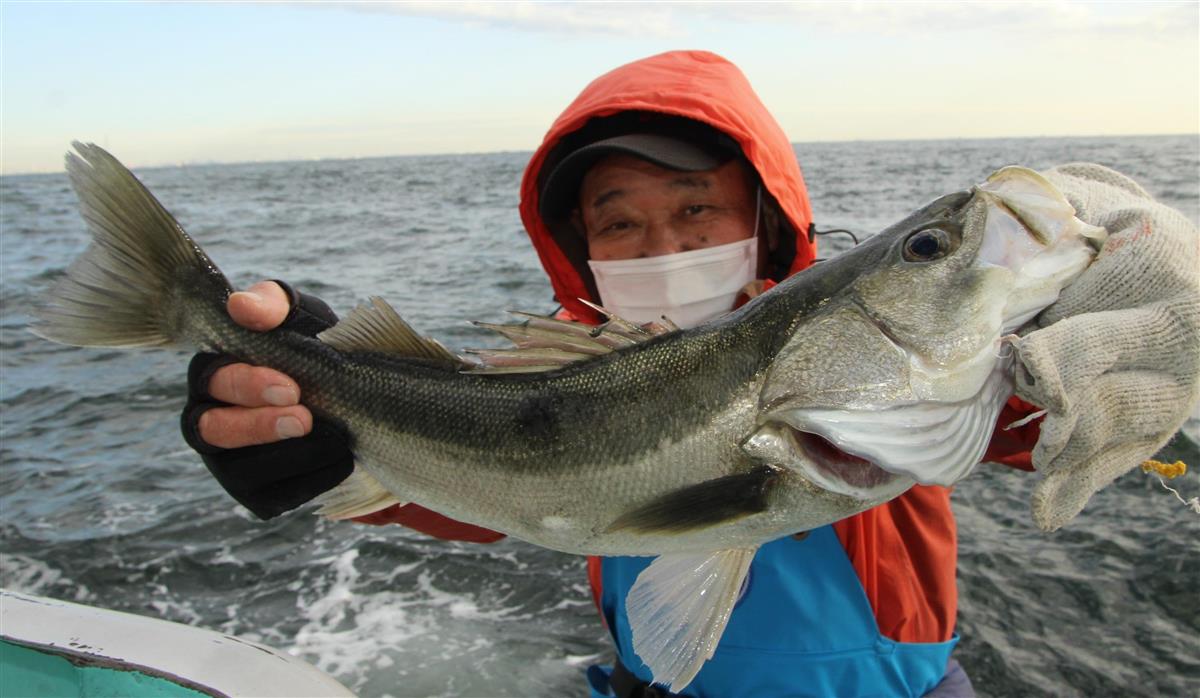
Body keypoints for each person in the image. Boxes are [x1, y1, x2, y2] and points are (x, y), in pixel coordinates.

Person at [179, 51, 1199, 696]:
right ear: (580, 249)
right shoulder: (561, 379)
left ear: (761, 217)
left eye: (694, 206)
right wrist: (332, 448)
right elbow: (518, 494)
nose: (658, 239)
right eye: (618, 222)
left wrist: (1127, 288)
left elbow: (1028, 400)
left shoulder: (922, 376)